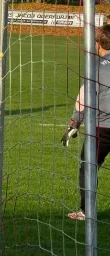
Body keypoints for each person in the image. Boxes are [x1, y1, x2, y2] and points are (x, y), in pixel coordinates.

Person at [61, 24, 110, 221]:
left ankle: (86, 211)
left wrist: (74, 124)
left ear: (97, 44)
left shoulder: (95, 67)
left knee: (89, 166)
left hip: (102, 127)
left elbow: (83, 99)